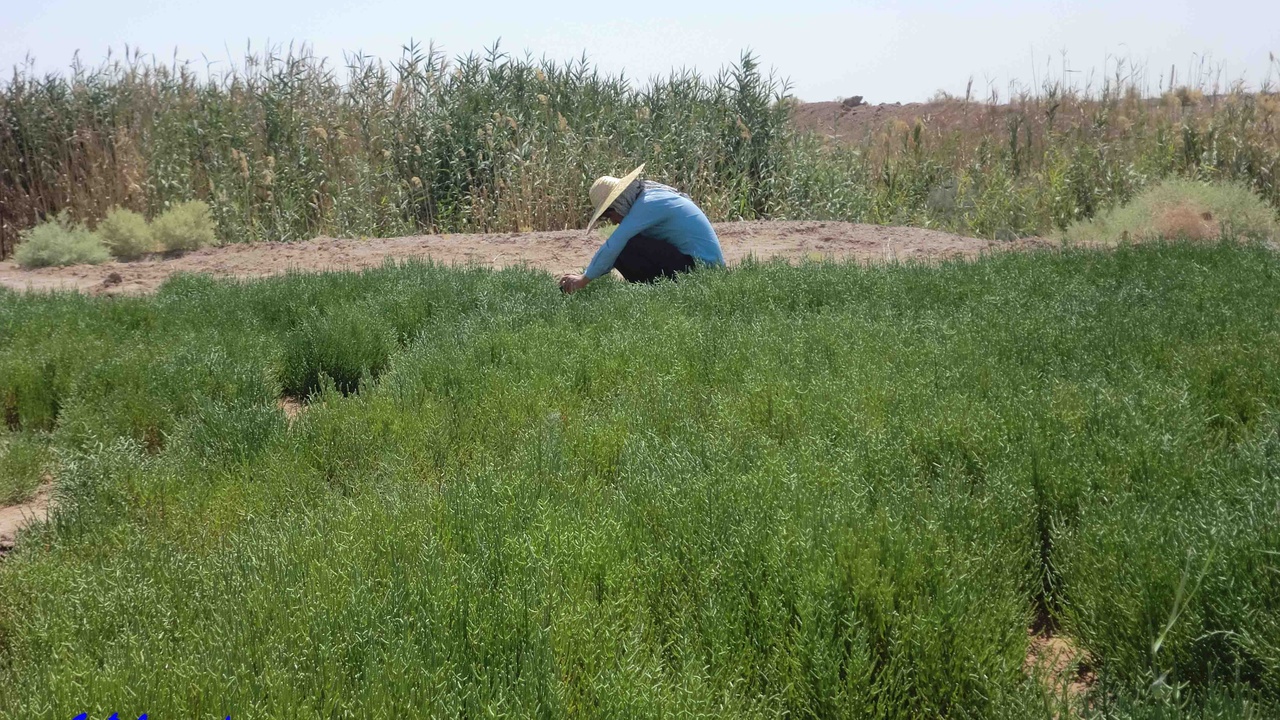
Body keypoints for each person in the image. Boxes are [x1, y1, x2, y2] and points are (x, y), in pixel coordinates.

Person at [559, 164, 725, 294]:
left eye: (609, 215)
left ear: (618, 203)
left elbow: (615, 243)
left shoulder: (647, 204)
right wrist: (591, 275)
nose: (613, 221)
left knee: (625, 246)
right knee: (625, 246)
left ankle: (656, 293)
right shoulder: (649, 197)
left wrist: (583, 280)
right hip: (702, 266)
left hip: (701, 269)